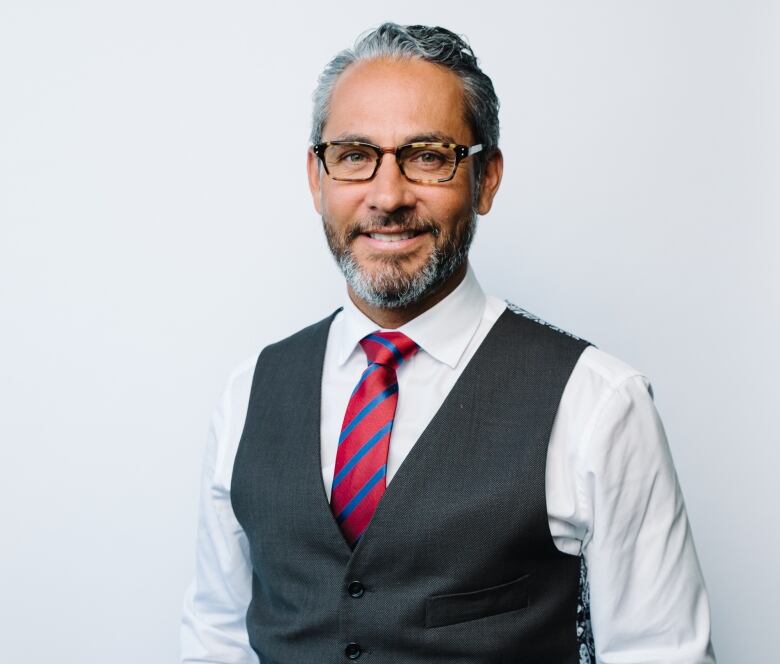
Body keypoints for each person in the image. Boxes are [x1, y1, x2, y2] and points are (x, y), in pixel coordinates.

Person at [180, 22, 716, 664]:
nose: (387, 195)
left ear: (485, 179)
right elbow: (216, 637)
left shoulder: (598, 403)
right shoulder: (249, 393)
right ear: (317, 178)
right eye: (354, 155)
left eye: (428, 156)